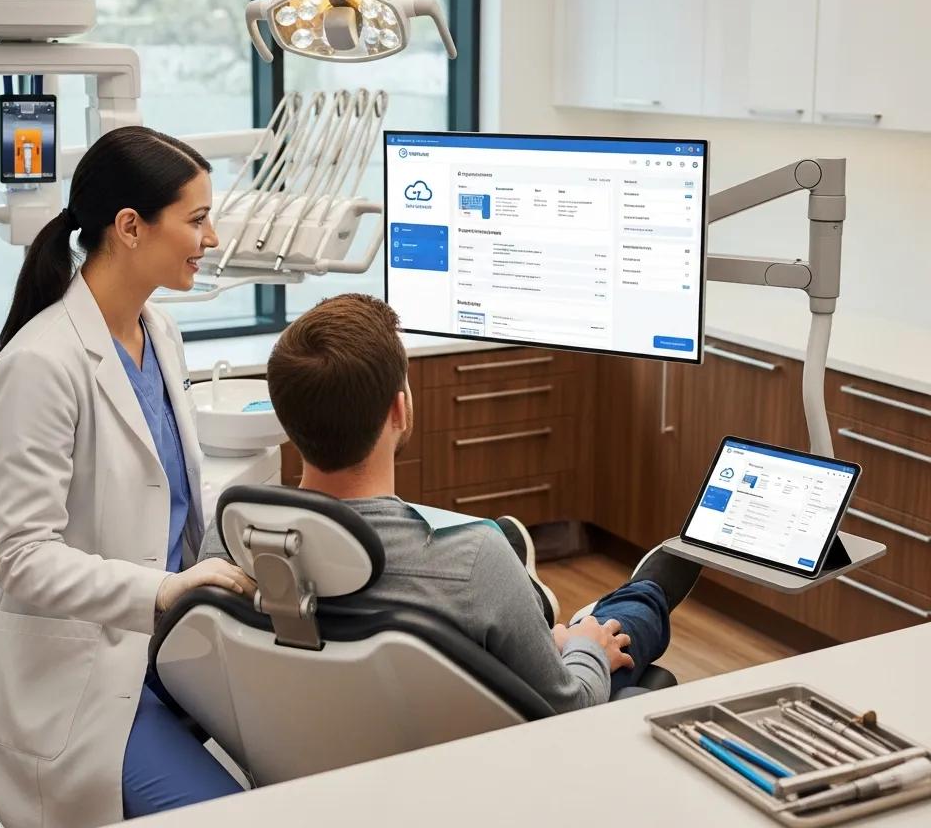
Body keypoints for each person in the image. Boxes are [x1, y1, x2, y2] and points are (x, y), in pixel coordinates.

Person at [0, 127, 254, 828]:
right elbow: (22, 559)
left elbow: (168, 501)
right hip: (69, 680)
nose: (211, 238)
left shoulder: (159, 332)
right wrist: (164, 588)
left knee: (299, 755)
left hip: (161, 651)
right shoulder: (42, 364)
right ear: (129, 228)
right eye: (197, 219)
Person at [202, 293, 702, 712]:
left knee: (530, 596)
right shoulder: (472, 562)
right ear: (399, 408)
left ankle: (558, 617)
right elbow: (567, 707)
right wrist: (587, 652)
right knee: (615, 626)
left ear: (286, 419)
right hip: (475, 755)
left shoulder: (232, 542)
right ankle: (634, 599)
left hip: (309, 746)